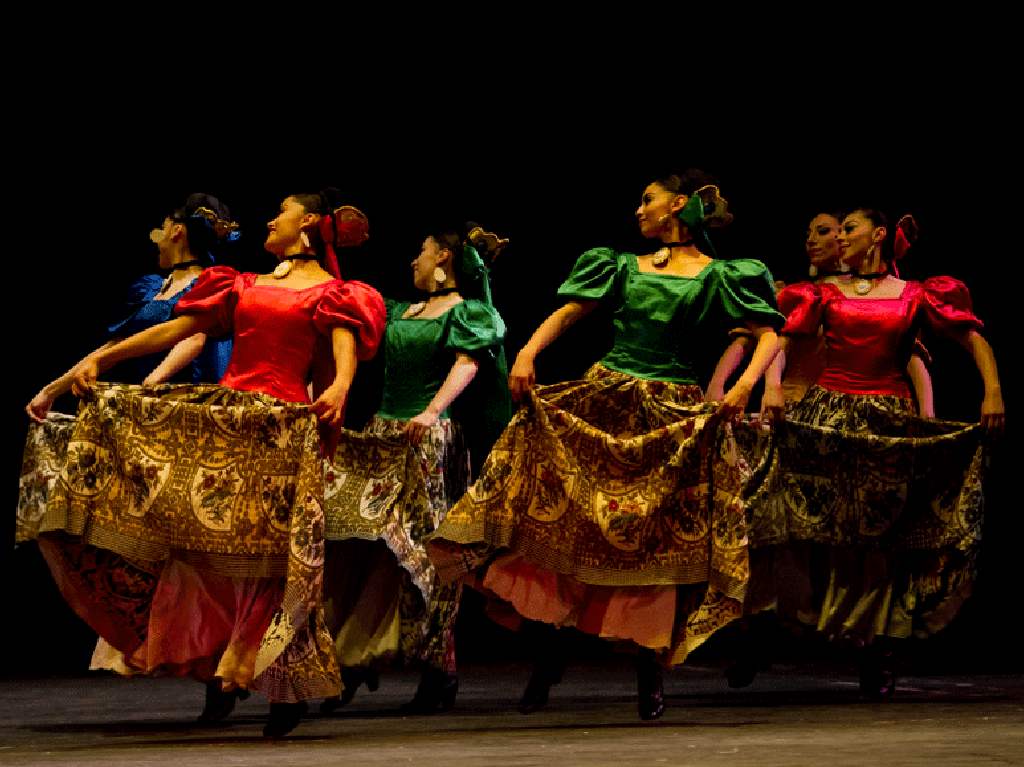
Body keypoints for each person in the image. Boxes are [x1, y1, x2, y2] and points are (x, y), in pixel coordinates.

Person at [427, 169, 783, 720]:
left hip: (670, 413)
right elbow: (573, 310)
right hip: (608, 397)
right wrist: (527, 352)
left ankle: (649, 673)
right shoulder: (619, 265)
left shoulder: (723, 275)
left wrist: (741, 388)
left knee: (650, 539)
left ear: (678, 205)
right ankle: (548, 659)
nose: (638, 211)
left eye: (648, 200)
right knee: (573, 523)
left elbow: (767, 333)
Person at [34, 189, 385, 737]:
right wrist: (99, 359)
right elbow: (177, 331)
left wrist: (339, 388)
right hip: (231, 424)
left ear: (309, 222)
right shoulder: (243, 284)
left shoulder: (337, 293)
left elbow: (344, 356)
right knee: (203, 547)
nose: (271, 218)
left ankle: (278, 682)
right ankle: (222, 668)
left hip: (283, 432)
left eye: (282, 211)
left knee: (275, 561)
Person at [321, 223, 511, 714]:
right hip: (384, 436)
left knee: (424, 547)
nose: (413, 263)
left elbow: (468, 364)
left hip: (428, 438)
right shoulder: (403, 311)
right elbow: (344, 302)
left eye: (421, 253)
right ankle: (354, 655)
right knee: (360, 543)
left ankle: (438, 667)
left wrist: (431, 410)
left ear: (443, 258)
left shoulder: (467, 313)